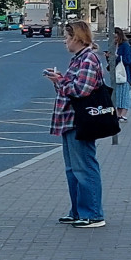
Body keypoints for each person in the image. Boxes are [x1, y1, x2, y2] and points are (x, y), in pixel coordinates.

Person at [46, 20, 106, 229]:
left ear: (77, 38)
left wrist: (60, 82)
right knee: (73, 169)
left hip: (81, 121)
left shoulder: (88, 59)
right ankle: (78, 211)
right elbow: (72, 88)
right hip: (70, 120)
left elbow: (82, 90)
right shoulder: (78, 59)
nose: (65, 41)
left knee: (85, 168)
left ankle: (93, 214)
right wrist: (60, 81)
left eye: (66, 37)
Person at [113, 26, 131, 121]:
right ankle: (118, 114)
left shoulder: (125, 45)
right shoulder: (115, 45)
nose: (114, 39)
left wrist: (117, 57)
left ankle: (123, 114)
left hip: (124, 73)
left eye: (115, 37)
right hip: (117, 74)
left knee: (124, 94)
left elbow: (128, 60)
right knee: (118, 94)